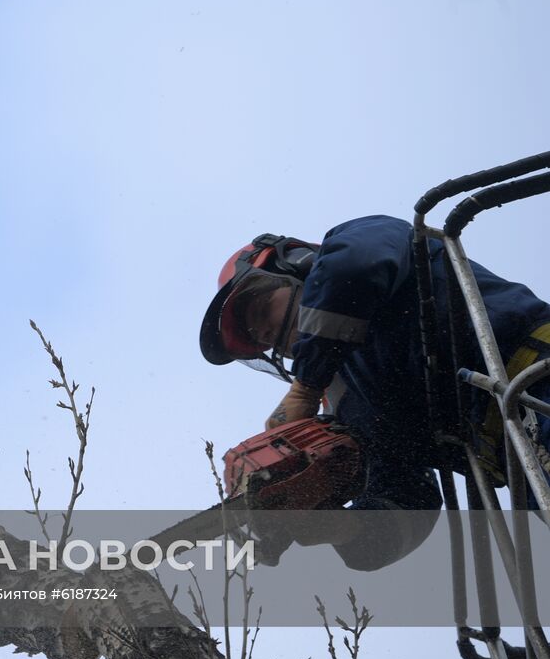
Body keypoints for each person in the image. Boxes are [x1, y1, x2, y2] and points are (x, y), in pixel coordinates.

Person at [199, 215, 550, 569]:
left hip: (537, 376)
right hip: (523, 460)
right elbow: (409, 497)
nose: (269, 335)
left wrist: (305, 388)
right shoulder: (351, 402)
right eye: (260, 339)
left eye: (262, 310)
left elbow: (356, 264)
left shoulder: (366, 244)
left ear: (297, 263)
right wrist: (335, 525)